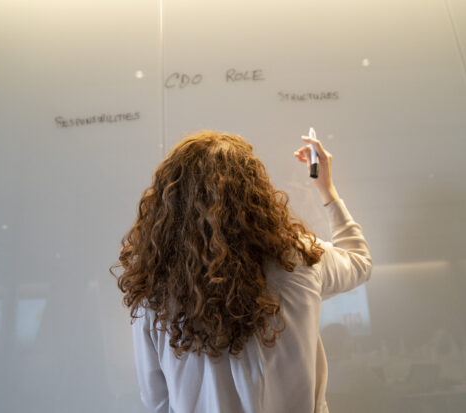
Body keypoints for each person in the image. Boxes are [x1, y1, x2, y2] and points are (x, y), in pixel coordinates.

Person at [111, 129, 373, 413]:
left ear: (170, 203)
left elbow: (157, 401)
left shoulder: (154, 292)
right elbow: (360, 262)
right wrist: (327, 190)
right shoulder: (299, 260)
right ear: (256, 193)